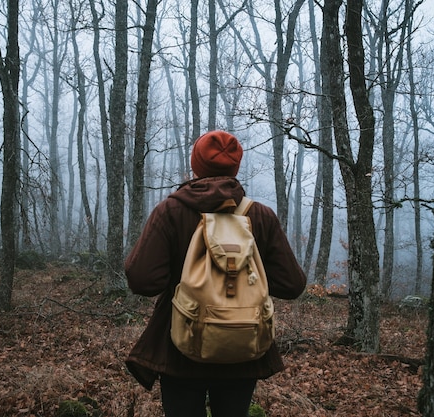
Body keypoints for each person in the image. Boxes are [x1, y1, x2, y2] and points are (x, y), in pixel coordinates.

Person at [125, 130, 307, 417]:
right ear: (235, 168)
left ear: (196, 166)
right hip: (243, 345)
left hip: (179, 347)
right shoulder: (259, 216)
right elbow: (292, 284)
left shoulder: (171, 211)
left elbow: (142, 279)